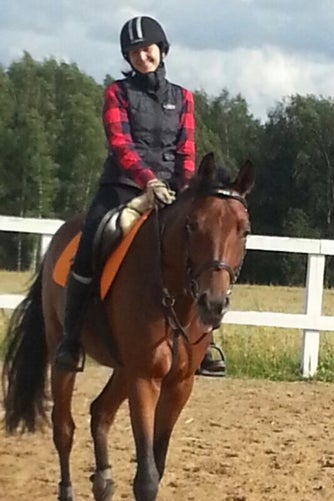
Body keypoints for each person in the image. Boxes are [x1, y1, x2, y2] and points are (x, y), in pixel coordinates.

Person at [54, 15, 226, 376]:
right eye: (134, 53)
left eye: (147, 49)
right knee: (91, 241)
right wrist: (147, 180)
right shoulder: (117, 93)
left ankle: (203, 340)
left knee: (204, 248)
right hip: (122, 187)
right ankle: (71, 337)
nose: (142, 57)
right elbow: (120, 144)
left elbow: (186, 150)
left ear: (161, 50)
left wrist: (185, 190)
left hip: (171, 192)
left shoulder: (183, 98)